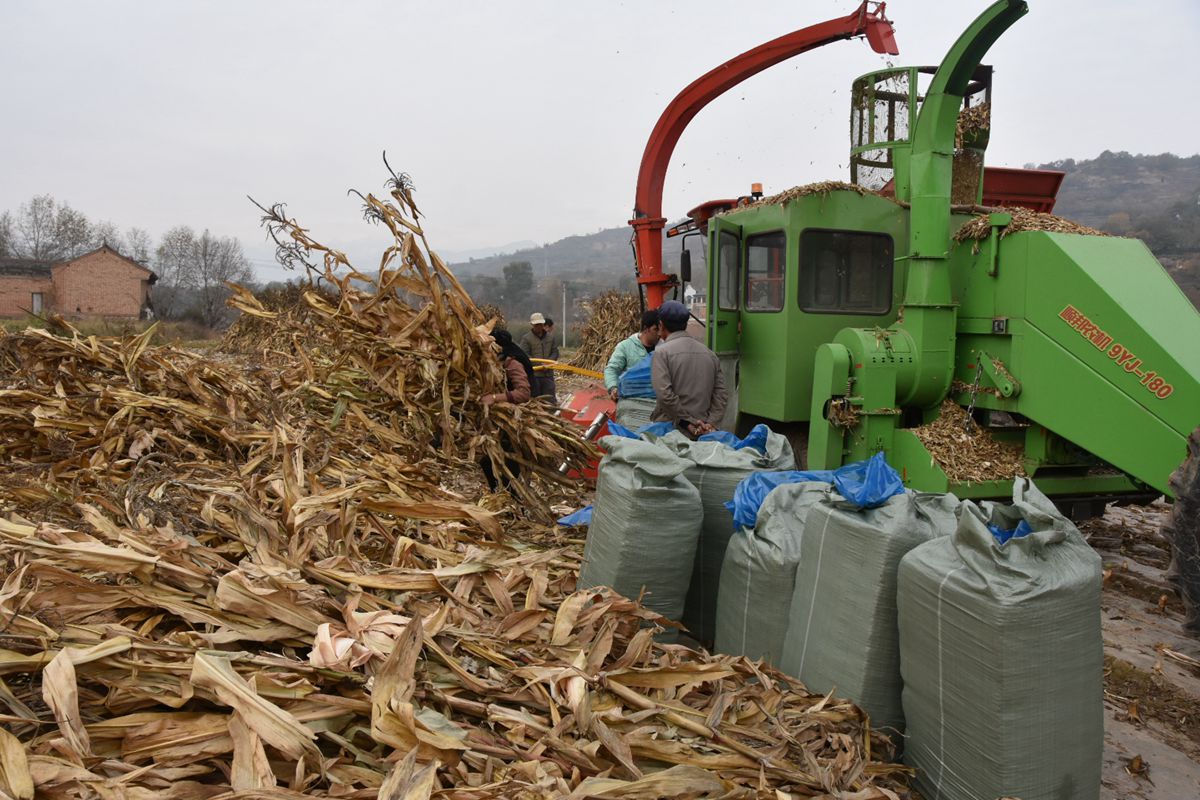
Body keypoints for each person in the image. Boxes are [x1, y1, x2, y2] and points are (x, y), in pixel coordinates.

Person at [650, 300, 727, 438]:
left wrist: (688, 422)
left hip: (671, 432)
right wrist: (710, 424)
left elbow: (665, 395)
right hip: (703, 432)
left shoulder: (662, 353)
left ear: (661, 325)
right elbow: (721, 394)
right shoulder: (710, 354)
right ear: (685, 324)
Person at [480, 329, 533, 491]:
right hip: (495, 423)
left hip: (514, 422)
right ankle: (498, 495)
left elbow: (524, 393)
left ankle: (514, 503)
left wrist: (495, 398)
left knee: (510, 465)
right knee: (486, 461)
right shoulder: (492, 362)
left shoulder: (512, 362)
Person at [604, 309, 660, 401]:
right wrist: (613, 387)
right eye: (655, 329)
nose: (659, 333)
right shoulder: (625, 347)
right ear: (646, 329)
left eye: (660, 329)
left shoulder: (664, 348)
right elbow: (611, 369)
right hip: (632, 401)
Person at [519, 312, 559, 403]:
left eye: (540, 324)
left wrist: (549, 362)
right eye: (536, 325)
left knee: (550, 399)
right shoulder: (526, 338)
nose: (539, 327)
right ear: (532, 325)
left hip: (548, 374)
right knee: (535, 400)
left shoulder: (550, 338)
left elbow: (555, 352)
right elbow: (524, 355)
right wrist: (540, 364)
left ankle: (551, 414)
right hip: (534, 375)